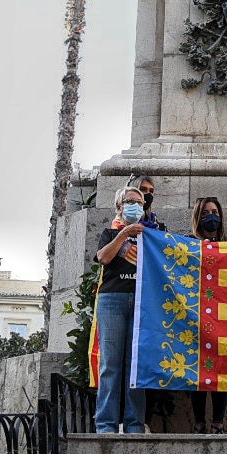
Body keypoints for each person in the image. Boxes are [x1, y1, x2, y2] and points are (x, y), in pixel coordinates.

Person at [92, 185, 149, 433]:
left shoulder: (150, 234)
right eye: (130, 201)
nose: (136, 205)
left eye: (140, 202)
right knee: (110, 365)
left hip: (142, 301)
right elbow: (104, 257)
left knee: (136, 366)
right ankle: (106, 425)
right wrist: (124, 234)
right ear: (119, 206)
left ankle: (135, 424)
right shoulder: (109, 233)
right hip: (112, 300)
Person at [187, 196, 227, 434]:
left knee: (221, 368)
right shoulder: (187, 244)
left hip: (222, 313)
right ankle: (199, 421)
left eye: (214, 212)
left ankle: (218, 422)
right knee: (197, 369)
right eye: (204, 213)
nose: (210, 217)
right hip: (194, 313)